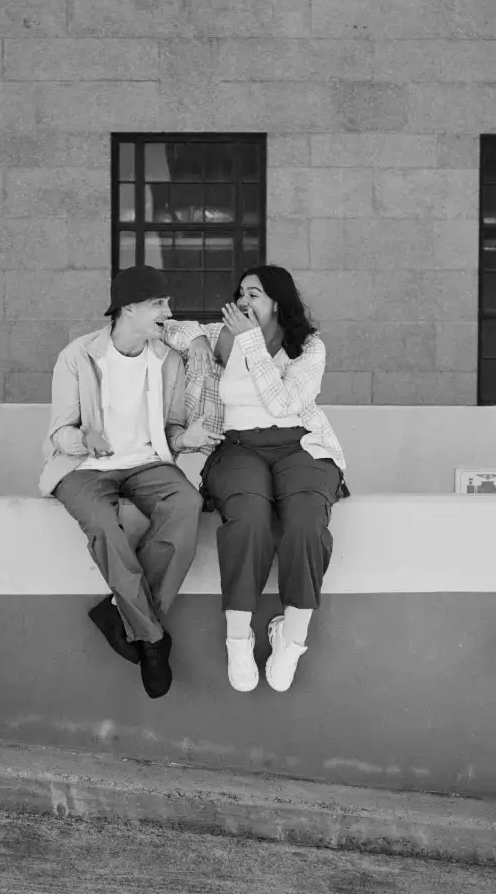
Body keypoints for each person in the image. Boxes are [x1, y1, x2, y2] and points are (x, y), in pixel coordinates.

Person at [162, 266, 348, 694]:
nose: (243, 302)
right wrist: (197, 340)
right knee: (247, 518)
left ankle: (292, 638)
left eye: (255, 294)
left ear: (278, 302)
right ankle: (238, 639)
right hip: (238, 446)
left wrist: (251, 344)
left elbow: (282, 403)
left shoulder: (308, 348)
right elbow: (167, 327)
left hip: (301, 445)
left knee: (306, 521)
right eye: (240, 293)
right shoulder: (222, 336)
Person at [40, 265, 214, 699]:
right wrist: (84, 439)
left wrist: (186, 439)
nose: (168, 312)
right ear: (128, 308)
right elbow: (59, 432)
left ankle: (122, 612)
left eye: (167, 303)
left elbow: (172, 429)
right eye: (159, 303)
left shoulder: (168, 359)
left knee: (186, 504)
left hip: (147, 463)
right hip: (84, 467)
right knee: (103, 523)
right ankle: (152, 641)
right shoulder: (77, 356)